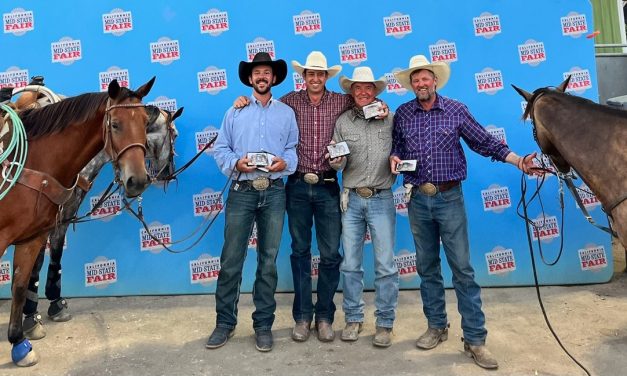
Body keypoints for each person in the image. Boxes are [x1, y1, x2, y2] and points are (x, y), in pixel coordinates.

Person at [390, 55, 542, 369]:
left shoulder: (456, 110)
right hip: (418, 199)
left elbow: (485, 142)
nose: (420, 84)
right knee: (427, 268)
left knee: (462, 269)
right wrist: (393, 156)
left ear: (434, 80)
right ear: (411, 85)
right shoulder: (403, 114)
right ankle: (436, 326)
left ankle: (474, 339)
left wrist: (518, 161)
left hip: (449, 198)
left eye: (424, 78)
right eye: (415, 80)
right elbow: (396, 147)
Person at [234, 51, 389, 343]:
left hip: (328, 186)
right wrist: (241, 101)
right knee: (300, 252)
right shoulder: (288, 102)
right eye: (310, 74)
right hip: (296, 186)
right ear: (303, 77)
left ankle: (325, 316)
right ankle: (303, 317)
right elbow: (260, 107)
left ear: (326, 77)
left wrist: (382, 105)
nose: (315, 79)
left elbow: (366, 102)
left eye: (320, 74)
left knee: (331, 254)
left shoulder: (341, 101)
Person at [207, 52, 298, 352]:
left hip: (274, 192)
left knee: (268, 262)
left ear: (274, 78)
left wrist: (284, 163)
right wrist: (237, 163)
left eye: (267, 73)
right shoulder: (234, 112)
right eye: (257, 72)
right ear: (250, 78)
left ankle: (263, 325)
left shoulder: (286, 113)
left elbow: (293, 149)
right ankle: (224, 323)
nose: (262, 77)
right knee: (231, 260)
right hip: (242, 191)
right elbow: (221, 148)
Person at [328, 66, 398, 347]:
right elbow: (339, 159)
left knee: (385, 265)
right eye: (358, 88)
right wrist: (335, 162)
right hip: (352, 199)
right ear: (351, 92)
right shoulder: (343, 122)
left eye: (368, 88)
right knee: (351, 265)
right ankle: (353, 319)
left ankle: (384, 323)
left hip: (381, 197)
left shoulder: (391, 118)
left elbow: (402, 148)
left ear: (376, 92)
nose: (363, 92)